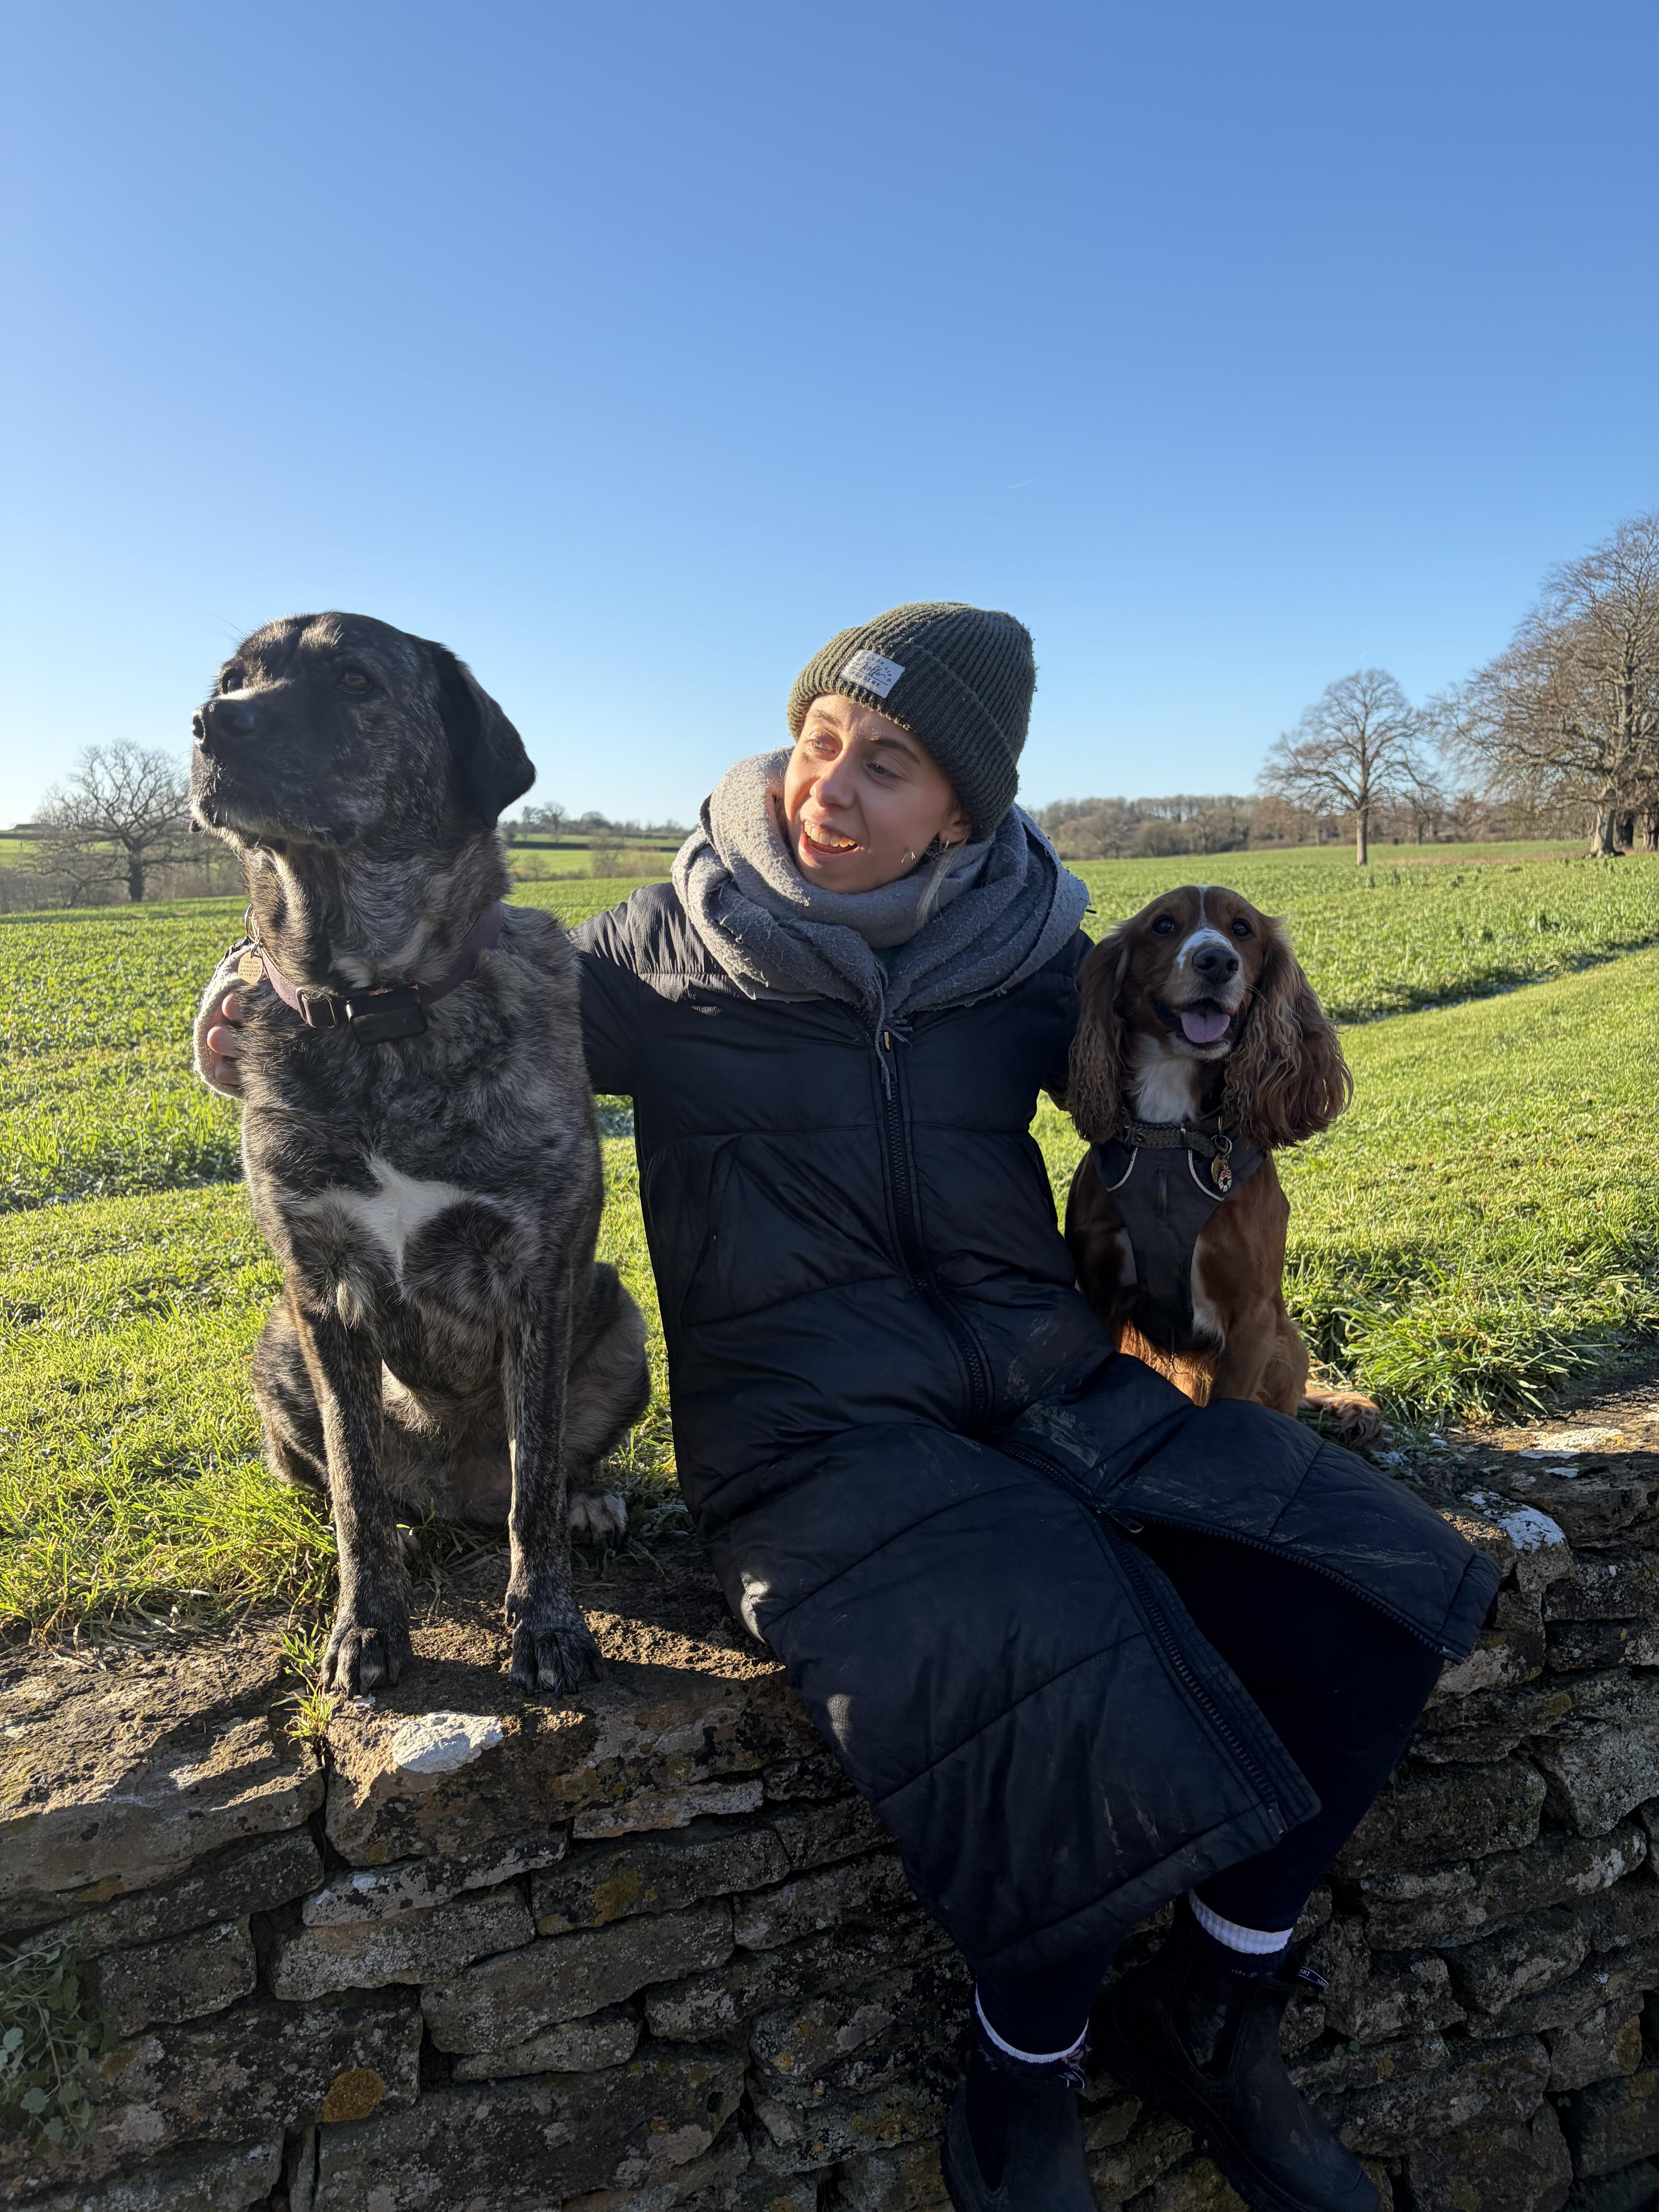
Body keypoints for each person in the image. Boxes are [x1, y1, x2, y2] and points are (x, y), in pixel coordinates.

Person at [197, 602, 1497, 2212]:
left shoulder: (1038, 962)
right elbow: (421, 965)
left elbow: (1208, 1060)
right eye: (821, 740)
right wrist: (251, 973)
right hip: (814, 1440)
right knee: (1030, 1648)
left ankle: (1223, 2010)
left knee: (1374, 1582)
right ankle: (1027, 2080)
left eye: (889, 765)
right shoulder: (649, 959)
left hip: (1054, 1389)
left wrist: (1237, 1231)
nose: (833, 785)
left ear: (967, 805)